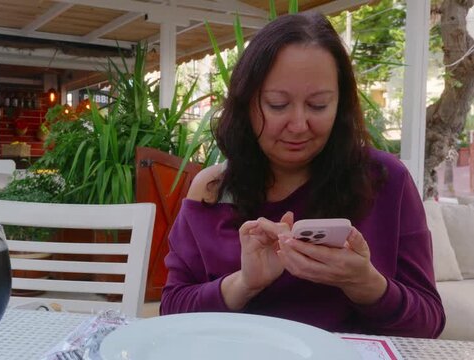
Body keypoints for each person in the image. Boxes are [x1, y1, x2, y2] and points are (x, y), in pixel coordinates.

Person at [160, 12, 445, 338]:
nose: (298, 125)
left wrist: (365, 284)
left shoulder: (385, 180)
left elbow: (429, 323)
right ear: (246, 104)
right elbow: (172, 309)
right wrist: (244, 284)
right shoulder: (213, 191)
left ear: (341, 107)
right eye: (278, 105)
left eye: (318, 105)